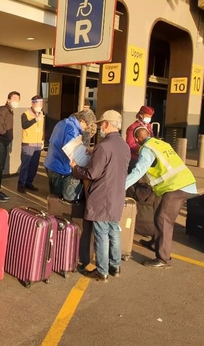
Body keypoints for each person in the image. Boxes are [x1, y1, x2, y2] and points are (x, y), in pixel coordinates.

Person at [71, 110, 130, 282]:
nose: (100, 127)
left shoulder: (104, 146)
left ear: (107, 124)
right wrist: (94, 153)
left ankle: (102, 271)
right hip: (117, 194)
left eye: (102, 124)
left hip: (102, 196)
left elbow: (92, 173)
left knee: (102, 233)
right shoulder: (123, 146)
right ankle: (115, 266)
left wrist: (75, 167)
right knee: (114, 230)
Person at [125, 127, 197, 268]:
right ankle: (154, 243)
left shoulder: (146, 149)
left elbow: (139, 171)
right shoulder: (161, 144)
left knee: (163, 220)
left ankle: (164, 259)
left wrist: (122, 186)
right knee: (158, 212)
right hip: (181, 183)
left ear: (137, 139)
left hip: (176, 187)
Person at [44, 109, 96, 198]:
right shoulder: (71, 129)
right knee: (60, 201)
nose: (86, 129)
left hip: (51, 164)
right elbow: (72, 151)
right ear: (82, 121)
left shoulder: (62, 123)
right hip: (61, 168)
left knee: (53, 197)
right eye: (87, 126)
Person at [0, 91, 20, 203]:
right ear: (8, 100)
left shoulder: (9, 111)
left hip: (2, 142)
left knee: (0, 167)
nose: (16, 101)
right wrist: (5, 135)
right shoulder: (4, 110)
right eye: (14, 99)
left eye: (18, 99)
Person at [17, 95, 45, 194]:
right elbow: (24, 125)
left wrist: (42, 140)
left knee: (34, 165)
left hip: (37, 144)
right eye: (38, 103)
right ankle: (21, 184)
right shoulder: (25, 114)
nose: (40, 106)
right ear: (33, 103)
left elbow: (42, 128)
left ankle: (29, 182)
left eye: (41, 104)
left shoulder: (41, 113)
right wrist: (34, 120)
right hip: (28, 143)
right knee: (26, 165)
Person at [126, 106, 155, 171]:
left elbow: (152, 139)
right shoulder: (132, 128)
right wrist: (144, 150)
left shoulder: (149, 126)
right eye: (147, 116)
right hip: (136, 158)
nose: (149, 118)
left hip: (148, 158)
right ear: (141, 114)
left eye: (150, 117)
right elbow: (131, 145)